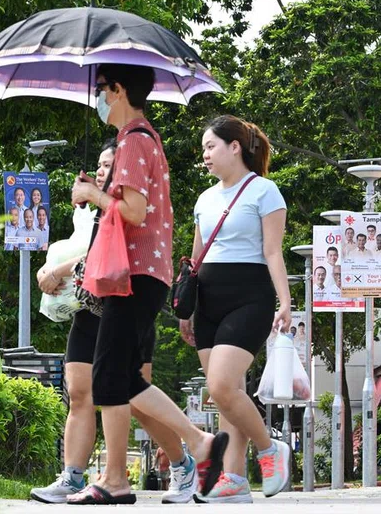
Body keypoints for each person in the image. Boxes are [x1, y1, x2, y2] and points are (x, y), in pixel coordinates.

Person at [64, 64, 228, 505]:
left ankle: (119, 478)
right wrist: (100, 192)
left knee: (109, 375)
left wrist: (92, 195)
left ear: (118, 90)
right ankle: (198, 444)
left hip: (135, 273)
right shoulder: (137, 139)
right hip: (140, 273)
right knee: (121, 377)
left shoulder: (135, 140)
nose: (98, 98)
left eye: (101, 88)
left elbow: (135, 212)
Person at [31, 142, 196, 505]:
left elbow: (106, 257)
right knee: (79, 394)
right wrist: (52, 268)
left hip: (125, 309)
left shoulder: (130, 208)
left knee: (134, 399)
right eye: (100, 165)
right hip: (90, 309)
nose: (103, 170)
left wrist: (57, 270)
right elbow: (85, 253)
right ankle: (72, 476)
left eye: (111, 164)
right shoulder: (94, 211)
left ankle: (184, 462)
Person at [178, 115, 293, 503]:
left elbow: (272, 252)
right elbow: (195, 259)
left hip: (249, 297)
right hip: (208, 301)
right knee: (226, 396)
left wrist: (285, 302)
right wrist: (186, 309)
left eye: (211, 146)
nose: (205, 155)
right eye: (203, 149)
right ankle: (234, 479)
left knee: (222, 385)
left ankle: (270, 449)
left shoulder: (264, 191)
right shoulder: (204, 199)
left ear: (235, 147)